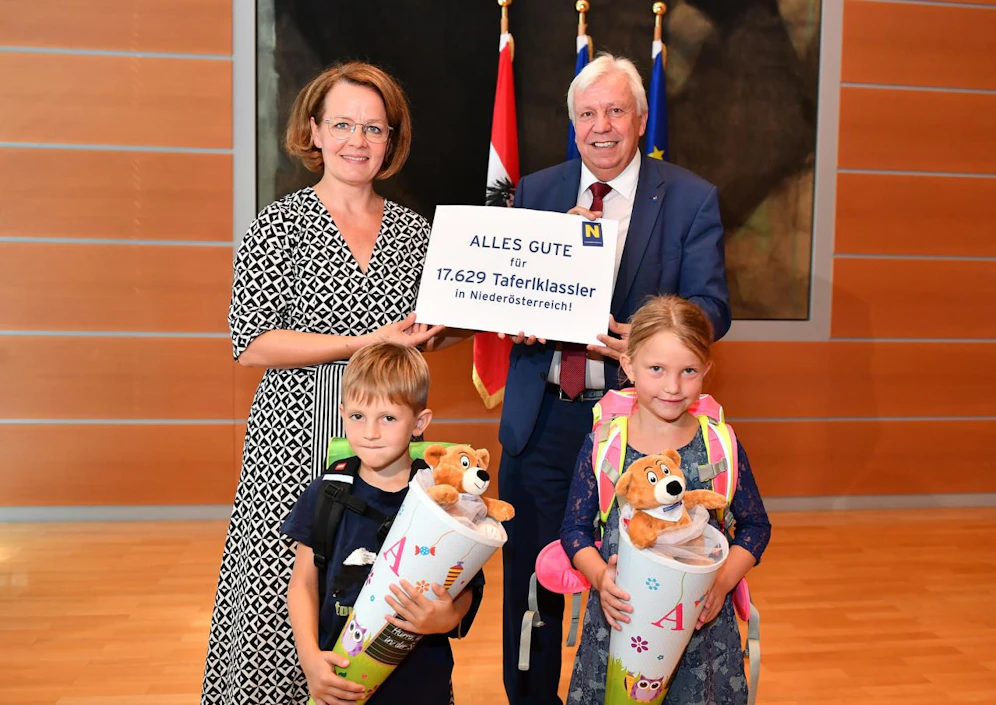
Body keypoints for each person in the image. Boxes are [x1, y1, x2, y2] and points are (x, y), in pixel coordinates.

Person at [202, 62, 444, 705]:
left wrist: (498, 315)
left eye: (373, 127)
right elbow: (249, 344)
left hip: (388, 458)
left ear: (391, 140)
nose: (357, 140)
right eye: (342, 124)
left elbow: (428, 332)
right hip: (292, 450)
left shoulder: (417, 235)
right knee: (280, 597)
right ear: (313, 129)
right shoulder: (278, 226)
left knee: (377, 593)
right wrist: (364, 340)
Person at [498, 54, 732, 704]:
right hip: (542, 417)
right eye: (587, 113)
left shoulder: (689, 198)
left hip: (638, 429)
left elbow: (713, 306)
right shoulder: (538, 191)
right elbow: (507, 290)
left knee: (639, 588)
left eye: (615, 111)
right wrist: (515, 316)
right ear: (572, 122)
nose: (601, 126)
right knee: (533, 590)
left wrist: (649, 334)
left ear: (640, 117)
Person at [561, 295, 770, 704]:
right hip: (621, 622)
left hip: (703, 631)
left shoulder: (719, 446)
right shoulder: (606, 446)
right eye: (657, 369)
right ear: (628, 365)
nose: (673, 387)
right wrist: (602, 578)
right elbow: (575, 529)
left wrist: (722, 583)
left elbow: (755, 526)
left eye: (688, 371)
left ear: (706, 371)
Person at [281, 342, 484, 705]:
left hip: (422, 684)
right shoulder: (327, 492)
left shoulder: (444, 498)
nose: (370, 432)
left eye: (388, 418)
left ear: (419, 422)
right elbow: (303, 584)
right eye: (358, 416)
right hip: (341, 679)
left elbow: (467, 583)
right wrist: (309, 658)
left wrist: (446, 617)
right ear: (342, 414)